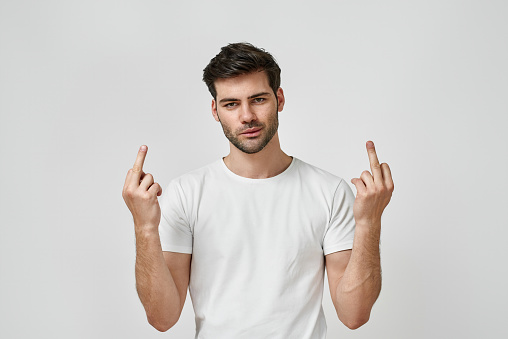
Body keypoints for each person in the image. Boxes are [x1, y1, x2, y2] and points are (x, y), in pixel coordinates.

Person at [122, 42, 394, 338]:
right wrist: (144, 227)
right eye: (231, 104)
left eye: (258, 99)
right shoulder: (187, 193)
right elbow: (162, 318)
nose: (247, 115)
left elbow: (354, 315)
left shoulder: (328, 191)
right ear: (215, 110)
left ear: (279, 98)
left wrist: (369, 222)